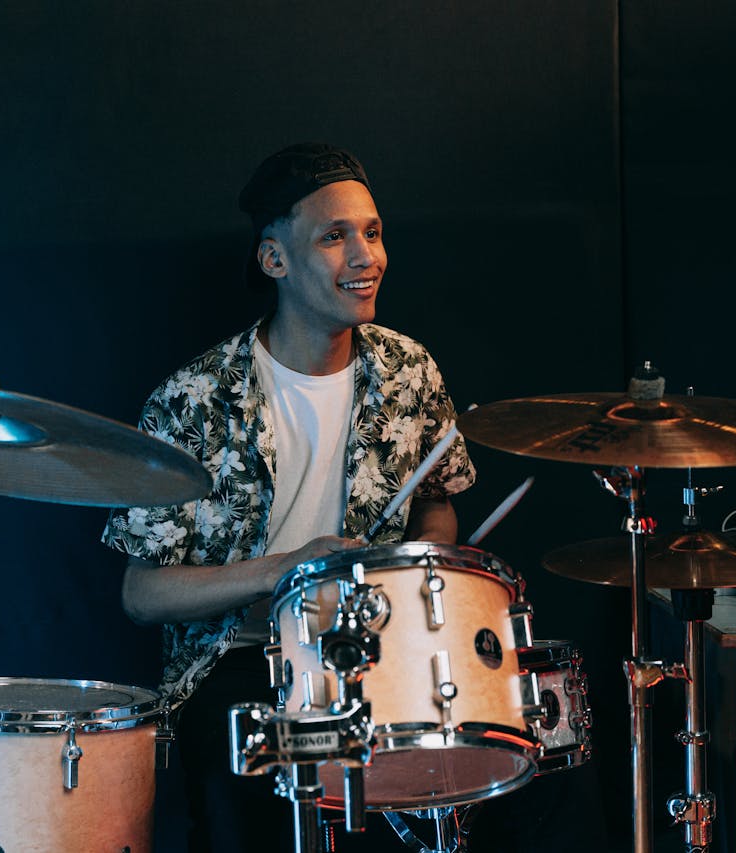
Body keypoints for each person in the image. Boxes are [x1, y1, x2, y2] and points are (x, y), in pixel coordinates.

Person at [100, 142, 477, 852]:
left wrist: (426, 567)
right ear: (274, 260)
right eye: (335, 237)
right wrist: (286, 573)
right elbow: (142, 593)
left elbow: (437, 499)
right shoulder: (194, 400)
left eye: (372, 231)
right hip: (240, 659)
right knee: (250, 789)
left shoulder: (408, 372)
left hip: (378, 644)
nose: (366, 256)